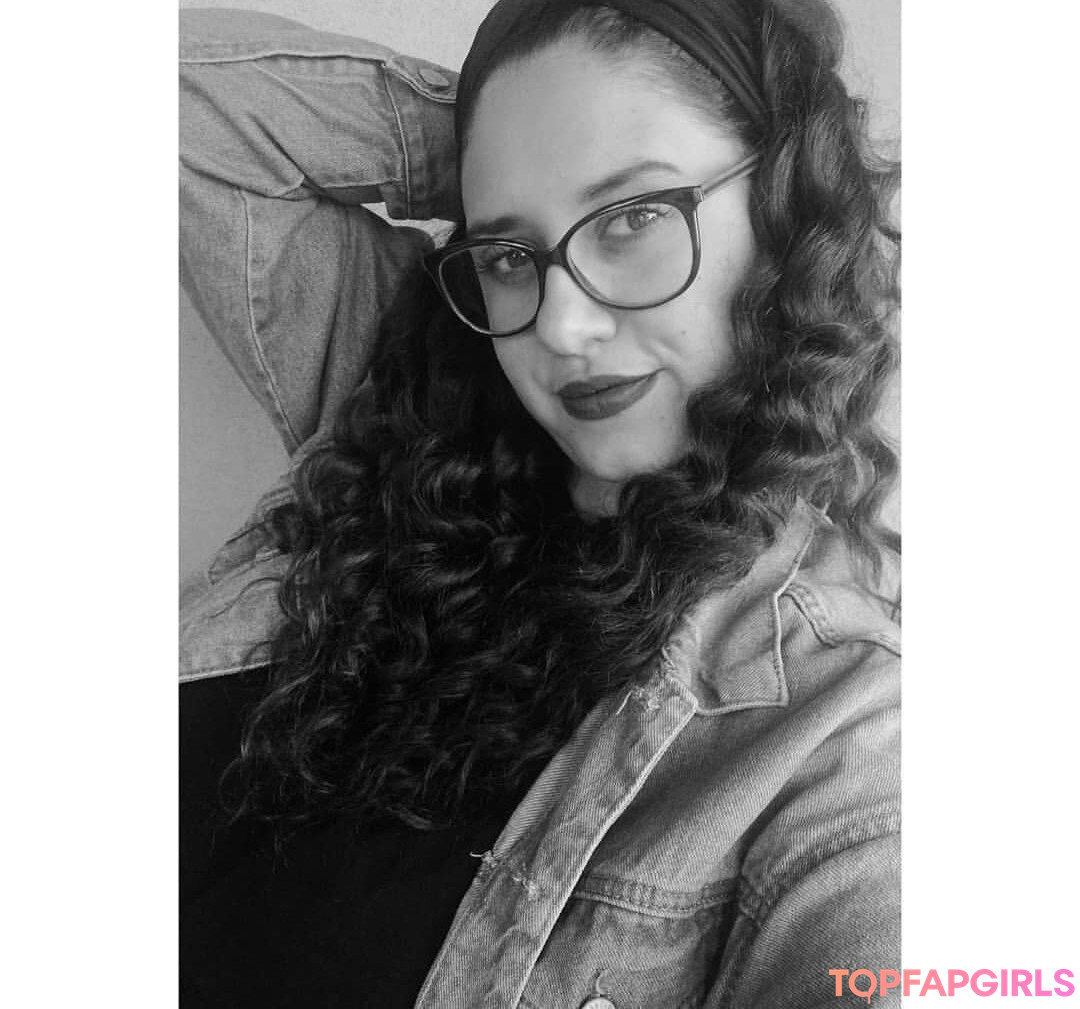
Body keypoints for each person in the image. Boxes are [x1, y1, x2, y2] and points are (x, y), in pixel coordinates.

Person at [179, 1, 900, 1006]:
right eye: (510, 255)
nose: (560, 326)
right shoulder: (407, 401)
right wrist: (494, 150)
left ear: (789, 202)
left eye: (634, 218)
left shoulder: (838, 731)